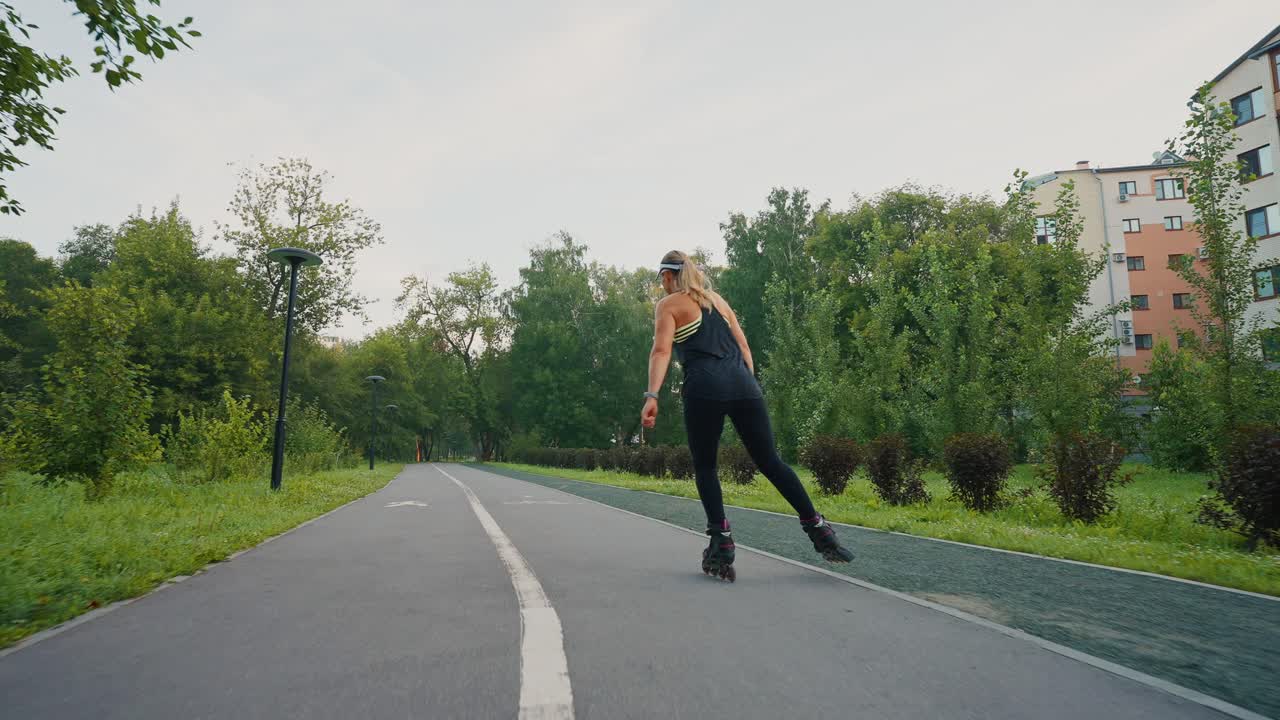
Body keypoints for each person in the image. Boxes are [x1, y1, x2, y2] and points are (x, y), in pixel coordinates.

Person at [640, 250, 853, 582]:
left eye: (662, 281)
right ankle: (819, 528)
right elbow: (744, 348)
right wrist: (746, 388)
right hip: (744, 386)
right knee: (770, 461)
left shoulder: (668, 306)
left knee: (706, 465)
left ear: (667, 276)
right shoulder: (717, 301)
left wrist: (652, 396)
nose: (663, 287)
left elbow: (661, 350)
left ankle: (721, 540)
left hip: (704, 388)